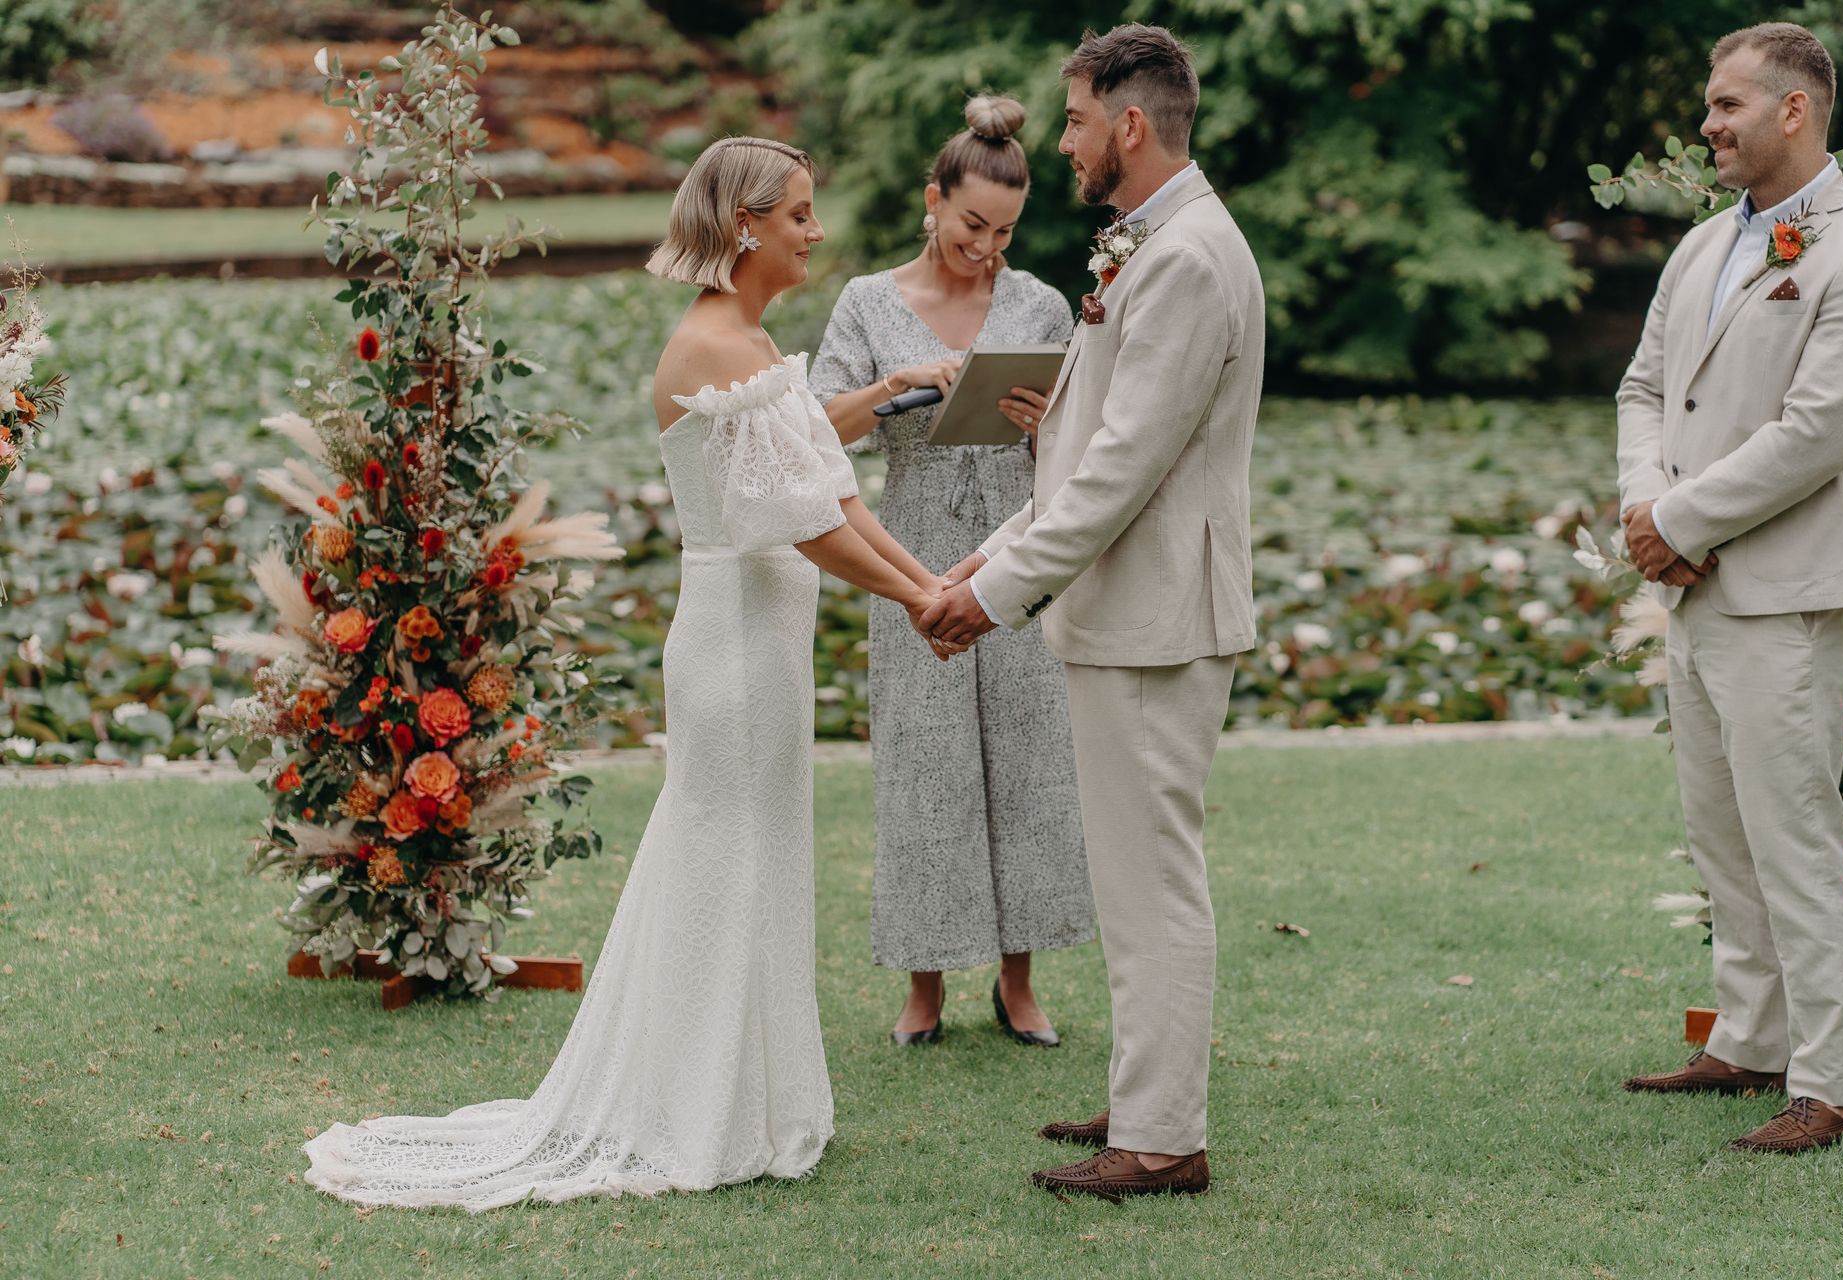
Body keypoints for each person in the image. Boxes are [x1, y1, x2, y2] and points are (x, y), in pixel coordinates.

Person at [303, 137, 956, 1209]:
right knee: (724, 863)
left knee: (761, 862)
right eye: (798, 212)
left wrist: (929, 586)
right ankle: (692, 1111)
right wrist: (921, 600)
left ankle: (744, 1098)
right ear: (746, 225)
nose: (815, 230)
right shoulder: (708, 348)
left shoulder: (750, 336)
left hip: (767, 646)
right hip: (733, 653)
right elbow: (800, 526)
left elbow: (833, 494)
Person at [921, 24, 1262, 1200]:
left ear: (1128, 123)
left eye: (1070, 121)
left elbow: (1123, 468)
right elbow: (1085, 454)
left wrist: (994, 598)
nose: (1056, 142)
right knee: (1125, 874)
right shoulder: (1150, 246)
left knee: (1152, 875)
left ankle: (1165, 1140)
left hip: (1162, 614)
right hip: (1128, 606)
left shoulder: (1189, 258)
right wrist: (987, 554)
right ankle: (1141, 1095)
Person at [1616, 23, 1843, 1153]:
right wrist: (1650, 511)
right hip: (1691, 580)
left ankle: (1833, 1079)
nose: (1709, 124)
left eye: (1728, 105)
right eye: (1710, 104)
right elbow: (1643, 387)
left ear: (1796, 110)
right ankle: (1747, 1036)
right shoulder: (1702, 246)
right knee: (1720, 825)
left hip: (1790, 590)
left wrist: (1680, 524)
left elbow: (1816, 433)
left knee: (1792, 828)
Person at [812, 94, 1094, 1049]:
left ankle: (1020, 982)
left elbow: (1082, 440)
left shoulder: (1043, 305)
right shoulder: (865, 303)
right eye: (973, 224)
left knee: (1029, 763)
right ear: (932, 200)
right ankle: (923, 987)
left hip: (1018, 547)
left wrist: (1038, 421)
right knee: (923, 766)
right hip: (911, 542)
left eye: (1006, 231)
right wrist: (900, 385)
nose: (987, 247)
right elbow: (816, 431)